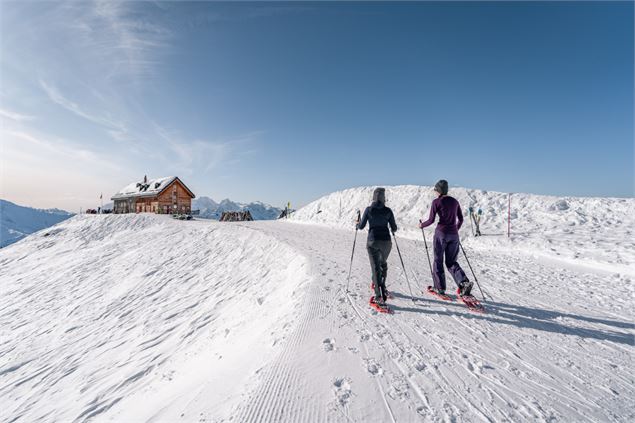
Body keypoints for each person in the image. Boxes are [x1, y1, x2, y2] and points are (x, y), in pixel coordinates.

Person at [419, 180, 473, 297]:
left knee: (438, 260)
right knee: (451, 262)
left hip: (441, 234)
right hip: (454, 235)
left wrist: (421, 225)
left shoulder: (436, 202)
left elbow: (431, 220)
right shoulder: (454, 201)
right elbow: (461, 219)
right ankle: (463, 283)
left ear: (438, 190)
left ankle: (439, 288)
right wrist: (454, 230)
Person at [357, 187, 398, 306]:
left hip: (373, 241)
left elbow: (361, 226)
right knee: (382, 264)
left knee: (375, 267)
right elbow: (394, 228)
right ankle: (382, 286)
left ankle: (379, 296)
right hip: (386, 242)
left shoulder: (369, 210)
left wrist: (357, 222)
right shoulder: (388, 210)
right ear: (383, 197)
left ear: (374, 197)